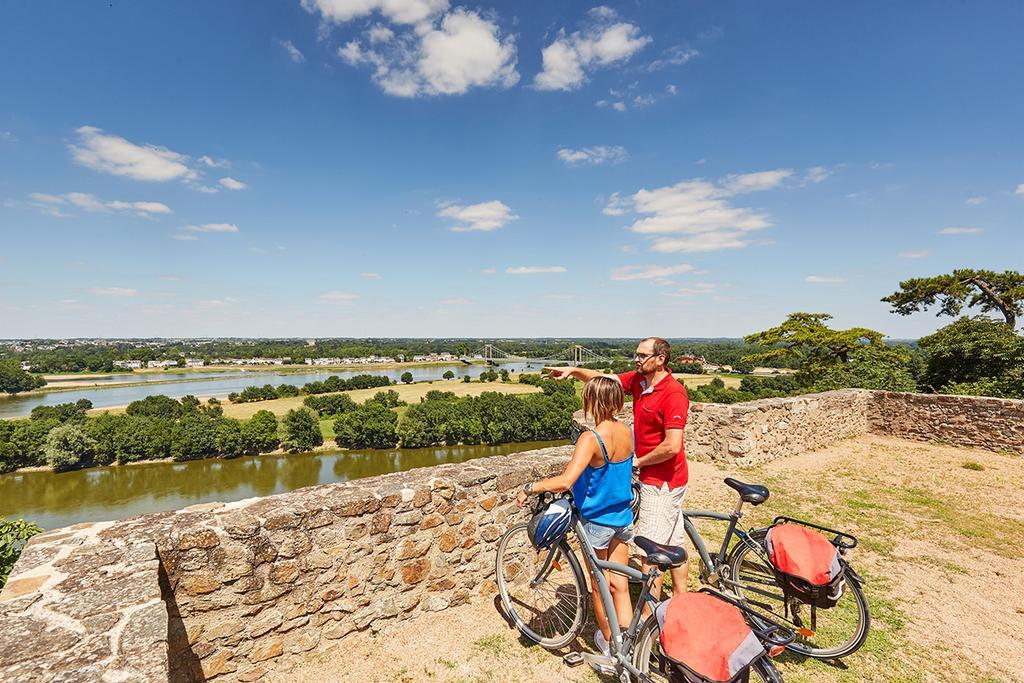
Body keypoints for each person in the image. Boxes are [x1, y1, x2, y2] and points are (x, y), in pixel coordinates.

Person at [546, 336, 690, 604]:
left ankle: (650, 619)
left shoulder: (673, 394)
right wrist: (573, 371)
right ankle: (682, 601)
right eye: (635, 354)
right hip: (659, 478)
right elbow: (604, 380)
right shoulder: (639, 381)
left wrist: (639, 462)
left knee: (651, 553)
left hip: (662, 481)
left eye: (642, 355)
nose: (637, 360)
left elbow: (672, 446)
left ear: (660, 359)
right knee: (674, 541)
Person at [516, 376, 634, 662]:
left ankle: (608, 643)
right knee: (620, 583)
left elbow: (567, 480)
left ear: (592, 402)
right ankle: (629, 640)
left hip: (596, 521)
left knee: (598, 583)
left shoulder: (591, 438)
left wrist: (531, 487)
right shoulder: (627, 431)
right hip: (622, 516)